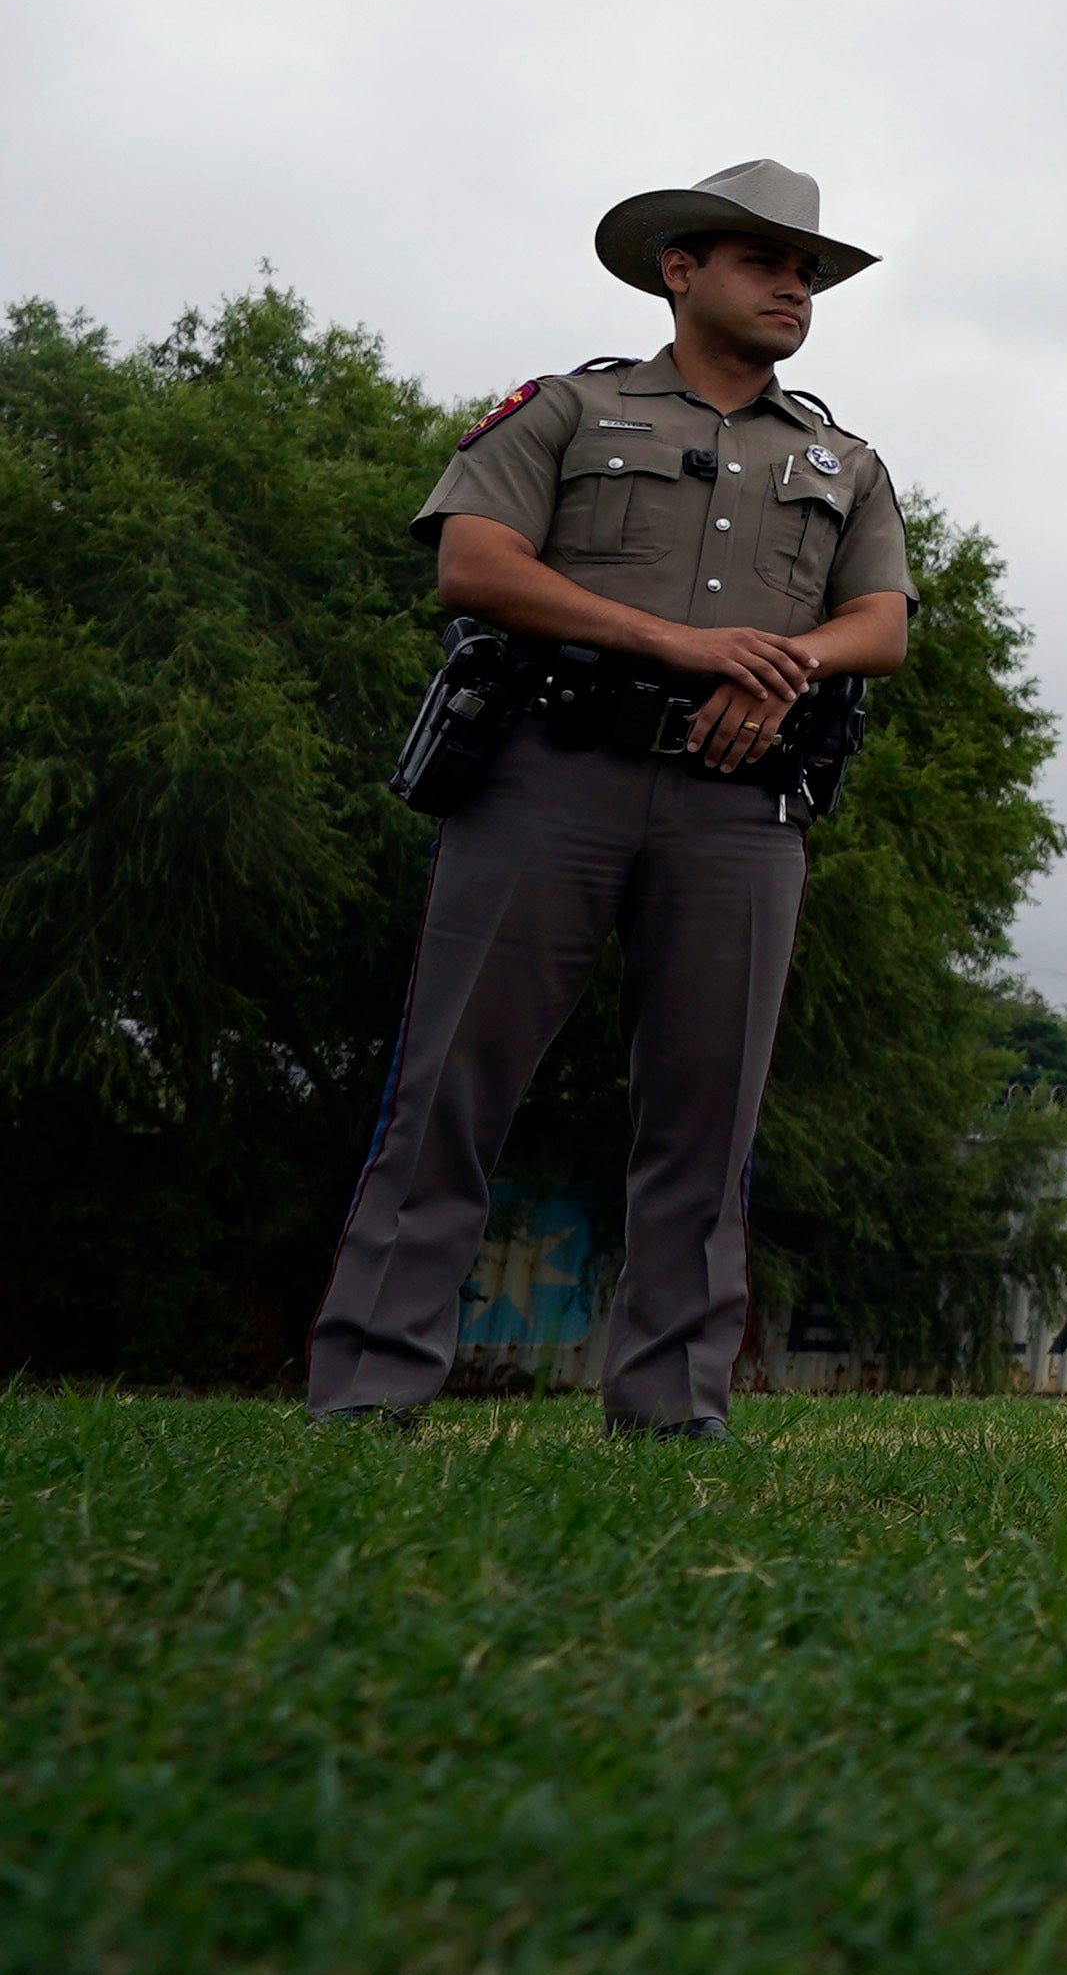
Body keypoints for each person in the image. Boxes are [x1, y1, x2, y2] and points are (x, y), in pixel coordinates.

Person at [302, 163, 914, 1443]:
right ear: (679, 269)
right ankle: (367, 1391)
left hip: (739, 805)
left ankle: (670, 1415)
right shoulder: (568, 409)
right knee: (452, 1088)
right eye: (764, 260)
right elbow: (474, 564)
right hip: (547, 775)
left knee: (708, 1118)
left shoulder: (844, 460)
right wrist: (680, 643)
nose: (795, 286)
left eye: (808, 271)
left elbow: (880, 624)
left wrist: (783, 664)